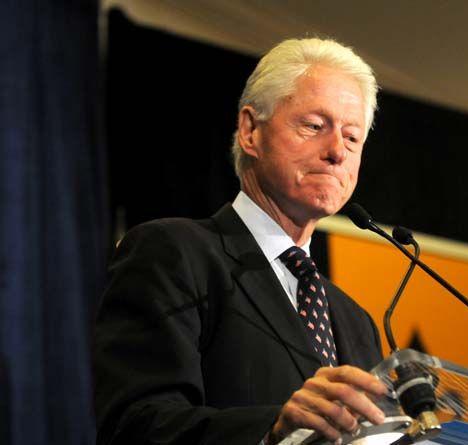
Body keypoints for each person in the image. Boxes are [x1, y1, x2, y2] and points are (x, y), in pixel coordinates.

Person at [93, 38, 388, 445]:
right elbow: (134, 424)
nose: (337, 150)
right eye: (315, 126)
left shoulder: (356, 323)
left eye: (352, 137)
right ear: (250, 131)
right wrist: (271, 432)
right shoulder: (174, 253)